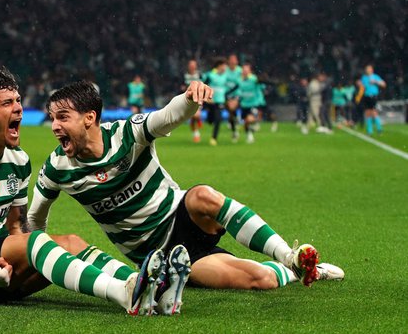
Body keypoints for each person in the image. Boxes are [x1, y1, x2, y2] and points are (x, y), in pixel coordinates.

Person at [28, 80, 344, 293]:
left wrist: (190, 98)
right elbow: (35, 220)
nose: (55, 126)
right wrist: (33, 254)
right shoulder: (57, 168)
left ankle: (288, 255)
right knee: (259, 279)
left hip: (182, 214)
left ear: (89, 118)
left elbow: (168, 116)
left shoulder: (127, 134)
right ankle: (300, 271)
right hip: (160, 255)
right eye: (52, 118)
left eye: (63, 117)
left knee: (203, 195)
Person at [0, 68, 185, 315]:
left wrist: (22, 257)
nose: (19, 108)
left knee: (70, 242)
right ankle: (125, 295)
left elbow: (16, 227)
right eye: (7, 103)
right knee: (37, 241)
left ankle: (149, 287)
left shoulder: (18, 161)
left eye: (18, 100)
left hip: (0, 268)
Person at [202, 57, 231, 146]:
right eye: (224, 66)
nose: (225, 68)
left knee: (218, 119)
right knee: (210, 120)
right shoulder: (210, 75)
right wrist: (207, 97)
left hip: (220, 101)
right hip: (211, 102)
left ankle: (214, 138)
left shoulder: (225, 76)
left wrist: (227, 95)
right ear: (219, 66)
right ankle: (209, 120)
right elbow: (203, 86)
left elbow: (232, 86)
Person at [237, 63, 261, 143]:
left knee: (249, 119)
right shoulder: (239, 80)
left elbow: (260, 85)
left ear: (250, 71)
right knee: (246, 122)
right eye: (243, 70)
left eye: (246, 70)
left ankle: (255, 124)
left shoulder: (254, 79)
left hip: (253, 104)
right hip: (244, 105)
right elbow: (237, 90)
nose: (245, 72)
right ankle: (249, 134)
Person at [360, 64, 386, 135]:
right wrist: (360, 85)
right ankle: (370, 131)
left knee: (374, 112)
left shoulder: (375, 76)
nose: (367, 70)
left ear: (372, 70)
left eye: (368, 69)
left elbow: (384, 84)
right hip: (366, 96)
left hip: (373, 96)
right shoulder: (364, 77)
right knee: (367, 113)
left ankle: (379, 129)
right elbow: (362, 87)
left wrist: (376, 81)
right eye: (366, 69)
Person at [183, 59, 203, 142]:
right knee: (193, 116)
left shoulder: (200, 75)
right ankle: (195, 132)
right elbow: (181, 87)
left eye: (193, 65)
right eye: (191, 65)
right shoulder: (184, 75)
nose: (192, 67)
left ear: (196, 66)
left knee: (196, 115)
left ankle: (196, 133)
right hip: (187, 99)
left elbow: (203, 85)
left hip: (198, 98)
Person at [224, 54, 243, 142]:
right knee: (230, 113)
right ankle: (234, 122)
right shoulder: (225, 70)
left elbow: (241, 83)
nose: (232, 62)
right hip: (226, 95)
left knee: (232, 108)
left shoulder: (240, 71)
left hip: (236, 94)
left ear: (237, 61)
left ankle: (235, 128)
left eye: (234, 60)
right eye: (231, 60)